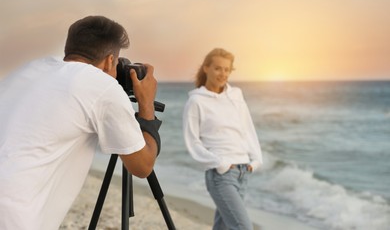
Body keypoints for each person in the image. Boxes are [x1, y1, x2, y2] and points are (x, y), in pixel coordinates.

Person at [0, 16, 161, 229]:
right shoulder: (101, 85)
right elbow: (142, 166)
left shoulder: (31, 68)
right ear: (109, 61)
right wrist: (146, 104)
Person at [183, 48, 263, 230]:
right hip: (221, 175)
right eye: (218, 68)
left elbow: (247, 129)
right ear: (206, 68)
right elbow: (193, 141)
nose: (223, 74)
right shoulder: (196, 101)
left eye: (227, 69)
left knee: (224, 227)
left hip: (243, 171)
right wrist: (220, 163)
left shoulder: (236, 96)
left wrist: (256, 160)